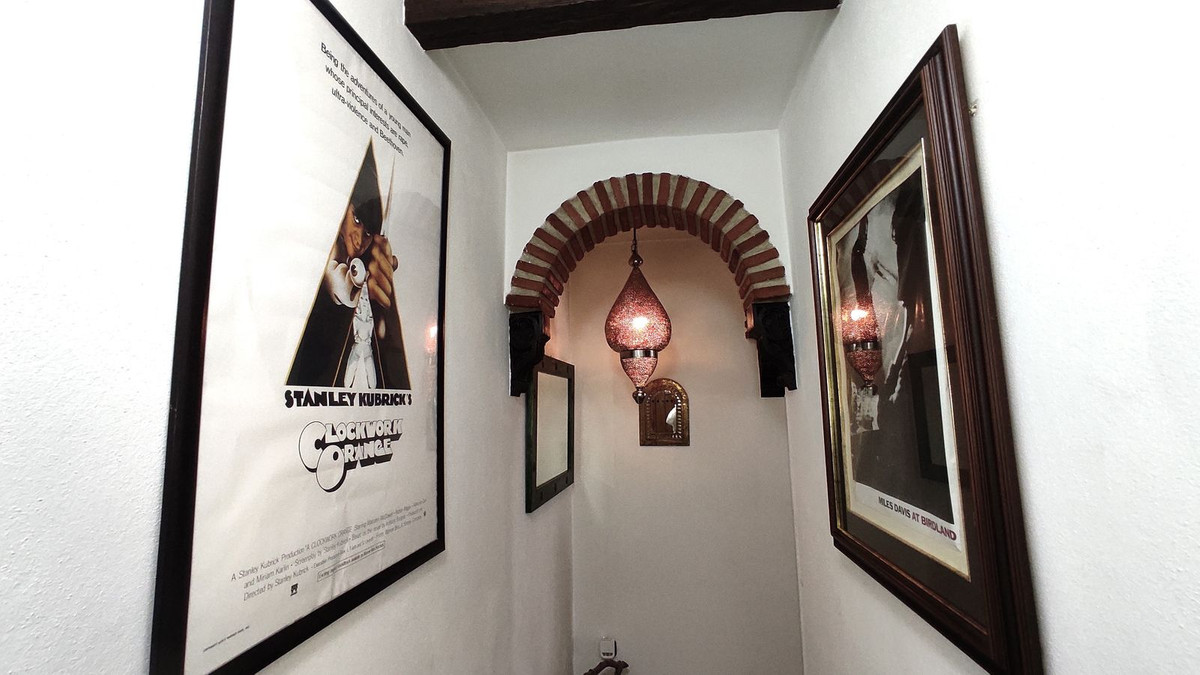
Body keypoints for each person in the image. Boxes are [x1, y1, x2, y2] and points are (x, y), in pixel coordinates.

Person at [288, 140, 411, 390]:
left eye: (368, 233)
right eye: (356, 220)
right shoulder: (322, 254)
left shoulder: (373, 263)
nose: (358, 239)